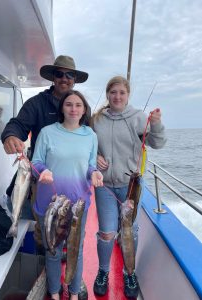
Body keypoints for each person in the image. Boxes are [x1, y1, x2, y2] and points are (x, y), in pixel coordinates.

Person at [1, 55, 90, 298]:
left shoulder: (82, 108)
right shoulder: (37, 104)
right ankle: (49, 277)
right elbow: (18, 124)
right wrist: (11, 135)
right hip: (43, 181)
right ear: (53, 77)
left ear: (75, 80)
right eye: (59, 74)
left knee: (73, 240)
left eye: (69, 75)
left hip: (72, 185)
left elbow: (88, 139)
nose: (64, 79)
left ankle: (71, 280)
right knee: (45, 232)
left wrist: (98, 161)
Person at [91, 76, 167, 298]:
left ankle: (129, 272)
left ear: (128, 95)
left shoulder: (137, 118)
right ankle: (103, 271)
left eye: (121, 92)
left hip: (130, 185)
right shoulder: (96, 120)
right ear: (107, 94)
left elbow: (157, 143)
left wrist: (156, 123)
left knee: (129, 231)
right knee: (106, 233)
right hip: (104, 185)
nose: (117, 96)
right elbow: (87, 145)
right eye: (113, 92)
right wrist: (94, 157)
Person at [31, 90, 103, 300]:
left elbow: (90, 166)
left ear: (84, 110)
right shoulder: (47, 132)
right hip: (49, 204)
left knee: (75, 251)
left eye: (78, 105)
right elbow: (36, 162)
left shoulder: (90, 135)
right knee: (52, 251)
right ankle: (54, 293)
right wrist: (42, 171)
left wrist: (96, 173)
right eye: (69, 104)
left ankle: (73, 294)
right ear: (62, 107)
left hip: (78, 205)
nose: (73, 109)